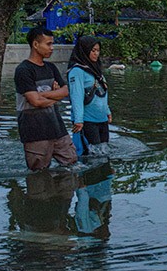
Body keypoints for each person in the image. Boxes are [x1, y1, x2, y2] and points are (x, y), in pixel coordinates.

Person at [14, 26, 77, 171]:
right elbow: (35, 102)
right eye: (48, 44)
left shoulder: (51, 67)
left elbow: (66, 90)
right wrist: (56, 97)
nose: (52, 48)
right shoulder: (23, 70)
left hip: (56, 127)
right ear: (36, 45)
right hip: (35, 131)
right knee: (39, 173)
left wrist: (42, 95)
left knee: (72, 162)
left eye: (52, 44)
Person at [67, 36, 111, 155]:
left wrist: (107, 111)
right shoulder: (77, 71)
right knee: (91, 154)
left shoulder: (96, 70)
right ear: (85, 51)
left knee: (104, 151)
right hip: (87, 121)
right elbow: (76, 96)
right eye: (93, 51)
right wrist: (79, 120)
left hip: (102, 119)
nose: (96, 54)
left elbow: (102, 91)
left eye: (98, 50)